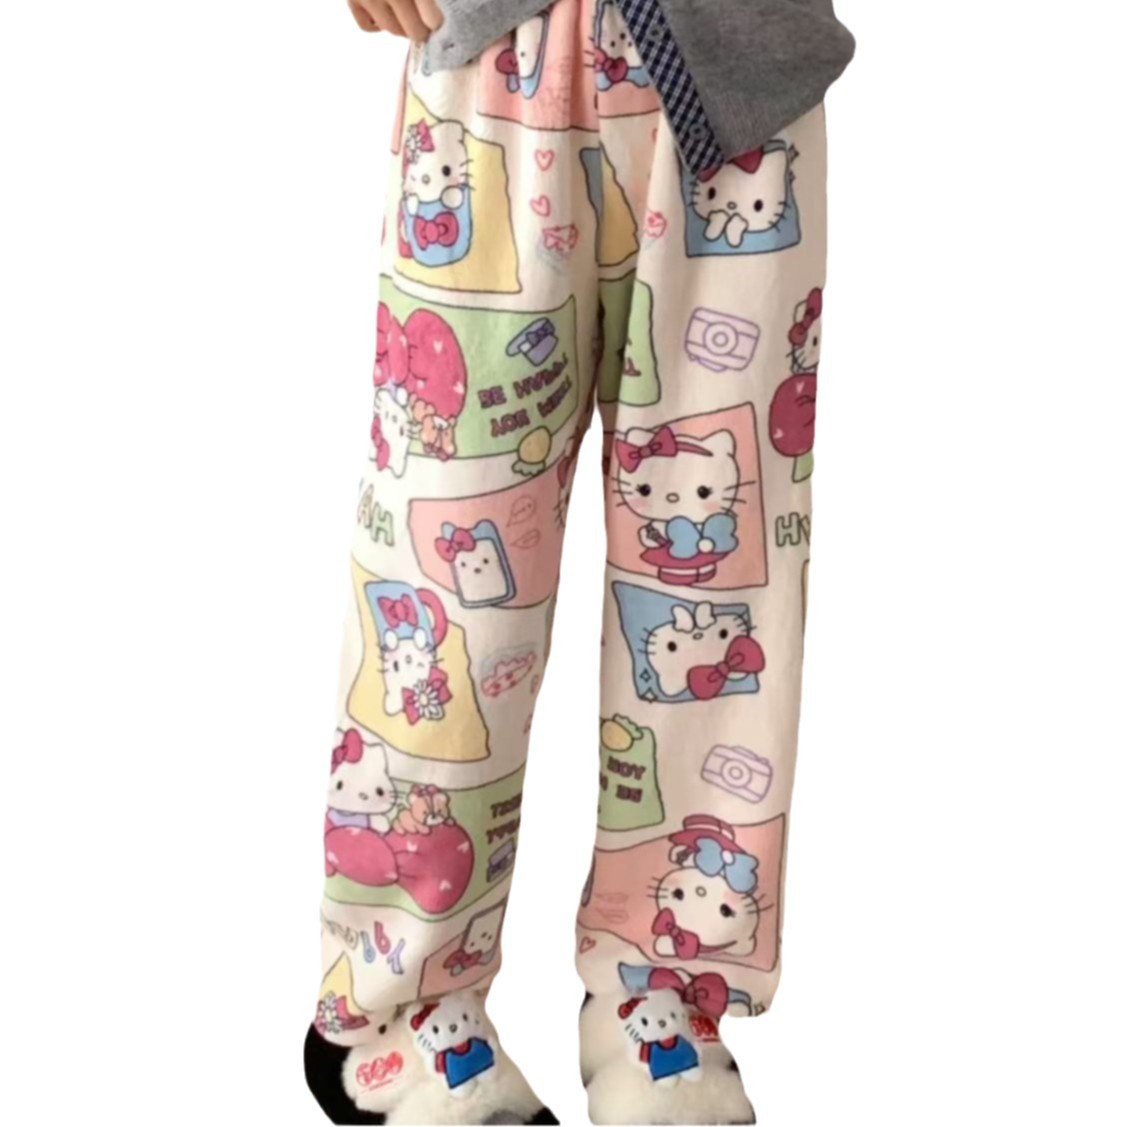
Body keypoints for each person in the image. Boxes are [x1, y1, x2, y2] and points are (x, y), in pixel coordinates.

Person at [305, 1, 854, 1122]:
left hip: (736, 76)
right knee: (450, 577)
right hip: (494, 74)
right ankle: (396, 1004)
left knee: (719, 580)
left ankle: (665, 987)